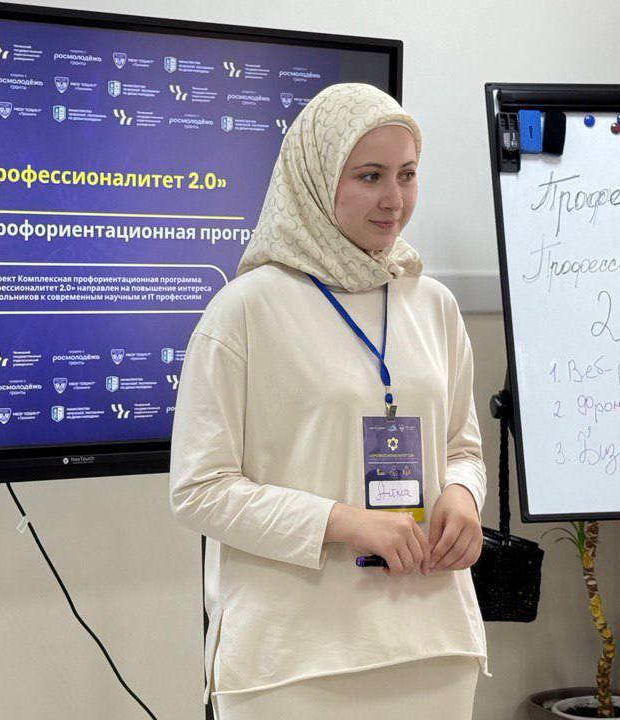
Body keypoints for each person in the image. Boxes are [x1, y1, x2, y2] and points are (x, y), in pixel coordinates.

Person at [169, 82, 489, 720]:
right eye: (370, 176)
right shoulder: (245, 310)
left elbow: (463, 448)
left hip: (434, 644)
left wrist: (462, 495)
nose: (394, 200)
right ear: (315, 178)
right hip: (293, 660)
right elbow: (199, 490)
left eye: (407, 175)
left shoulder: (433, 304)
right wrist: (343, 522)